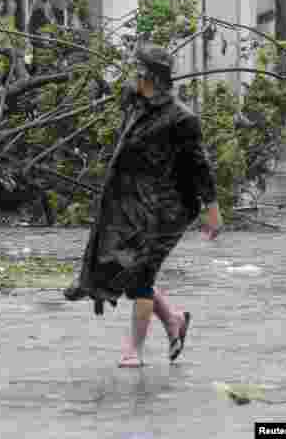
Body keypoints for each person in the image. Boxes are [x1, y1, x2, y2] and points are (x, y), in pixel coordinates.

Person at [63, 44, 221, 368]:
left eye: (139, 69)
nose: (133, 73)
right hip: (135, 202)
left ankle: (132, 350)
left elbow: (199, 165)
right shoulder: (137, 102)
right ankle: (174, 320)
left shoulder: (182, 118)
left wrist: (213, 209)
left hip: (169, 208)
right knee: (132, 268)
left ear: (152, 76)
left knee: (141, 275)